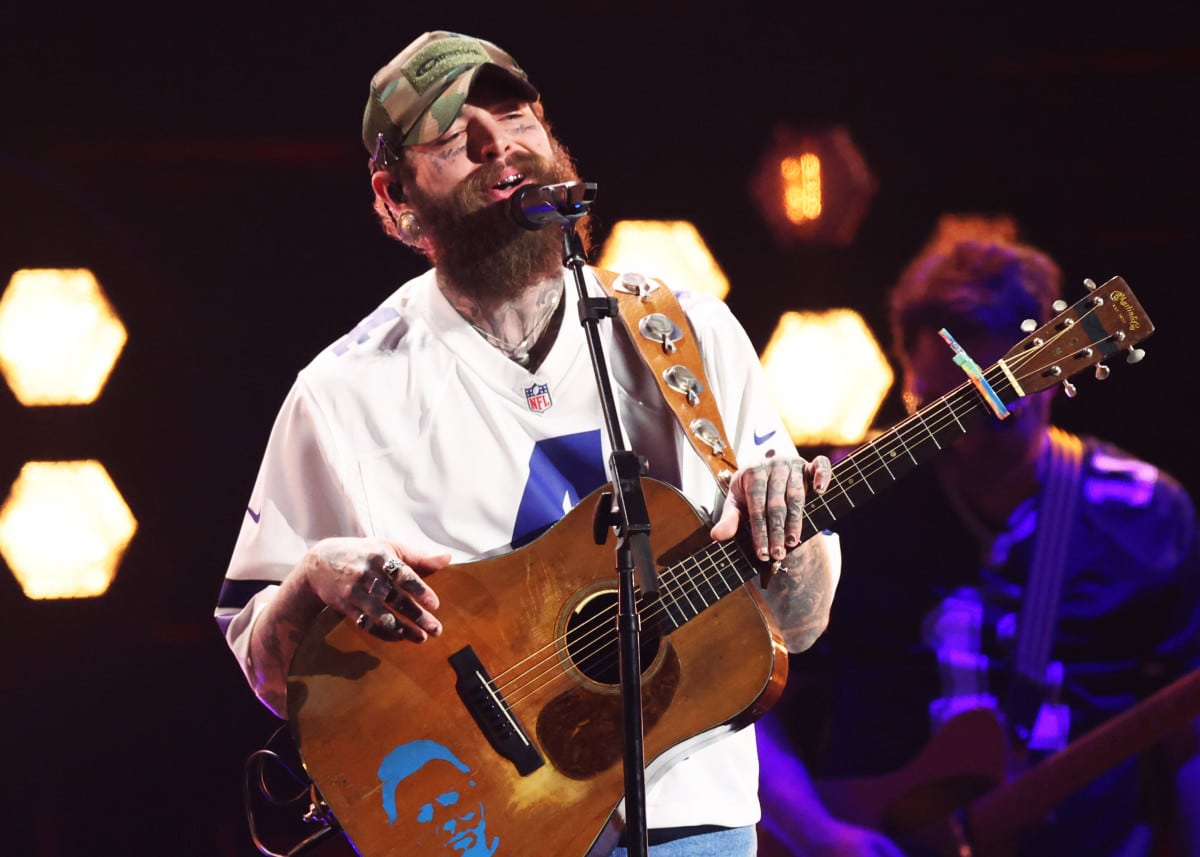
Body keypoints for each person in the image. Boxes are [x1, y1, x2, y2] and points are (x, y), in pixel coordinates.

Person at [214, 29, 842, 857]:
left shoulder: (687, 335)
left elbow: (798, 624)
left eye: (515, 117)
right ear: (395, 196)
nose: (499, 146)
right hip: (488, 824)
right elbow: (267, 666)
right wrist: (312, 579)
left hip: (695, 815)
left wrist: (787, 531)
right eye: (453, 139)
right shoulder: (342, 392)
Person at [756, 231, 1200, 856]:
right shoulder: (854, 498)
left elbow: (1188, 738)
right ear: (906, 373)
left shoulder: (1147, 512)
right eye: (944, 405)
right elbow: (745, 698)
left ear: (1051, 369)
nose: (970, 436)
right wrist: (822, 834)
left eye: (1003, 407)